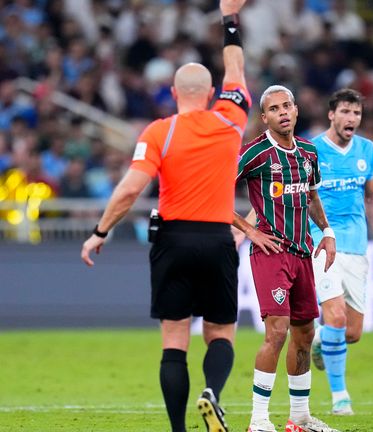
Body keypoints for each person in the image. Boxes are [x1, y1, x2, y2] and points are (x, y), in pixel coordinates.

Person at [80, 1, 251, 431]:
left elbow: (130, 189)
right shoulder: (231, 119)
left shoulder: (160, 131)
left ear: (174, 95)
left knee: (174, 343)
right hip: (217, 239)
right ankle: (212, 392)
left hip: (172, 241)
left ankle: (177, 430)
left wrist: (100, 231)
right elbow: (236, 69)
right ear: (212, 94)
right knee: (220, 335)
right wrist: (228, 19)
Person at [236, 85, 339, 432]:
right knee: (276, 333)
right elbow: (214, 191)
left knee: (305, 334)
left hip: (302, 253)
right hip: (270, 253)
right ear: (264, 117)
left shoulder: (308, 152)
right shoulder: (255, 154)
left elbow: (310, 196)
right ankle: (258, 420)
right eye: (274, 108)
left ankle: (299, 418)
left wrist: (327, 232)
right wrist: (249, 231)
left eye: (287, 106)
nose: (282, 112)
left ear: (295, 110)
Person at [306, 88, 373, 415]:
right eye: (345, 112)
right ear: (332, 114)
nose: (351, 119)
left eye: (356, 113)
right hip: (322, 241)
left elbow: (372, 195)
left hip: (356, 244)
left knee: (350, 332)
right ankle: (341, 397)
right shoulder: (312, 150)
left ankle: (319, 338)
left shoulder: (366, 150)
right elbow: (299, 194)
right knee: (336, 314)